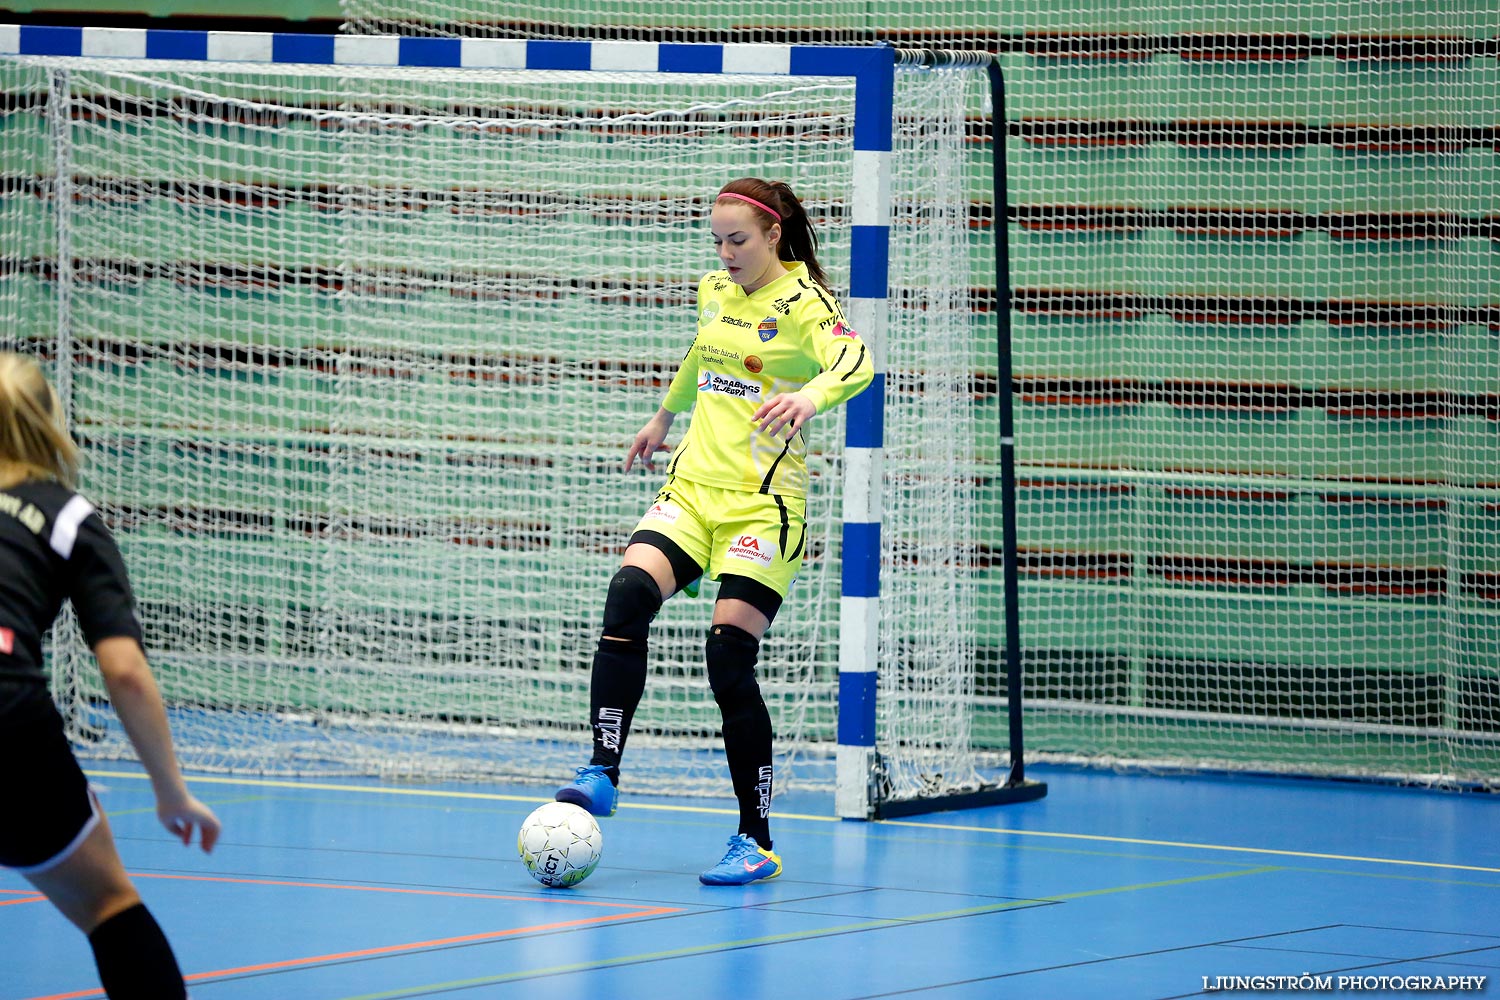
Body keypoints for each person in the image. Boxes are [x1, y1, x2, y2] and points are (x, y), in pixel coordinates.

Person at [555, 178, 873, 885]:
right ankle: (603, 771)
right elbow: (705, 353)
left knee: (728, 657)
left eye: (739, 241)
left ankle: (754, 839)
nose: (726, 254)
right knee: (629, 595)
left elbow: (857, 363)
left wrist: (809, 395)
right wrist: (663, 416)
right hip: (694, 490)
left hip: (764, 506)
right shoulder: (716, 291)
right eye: (718, 242)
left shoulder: (805, 304)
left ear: (773, 235)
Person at [0, 352, 220, 998]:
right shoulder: (67, 517)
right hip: (10, 721)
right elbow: (123, 671)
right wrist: (171, 793)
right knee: (108, 906)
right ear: (51, 424)